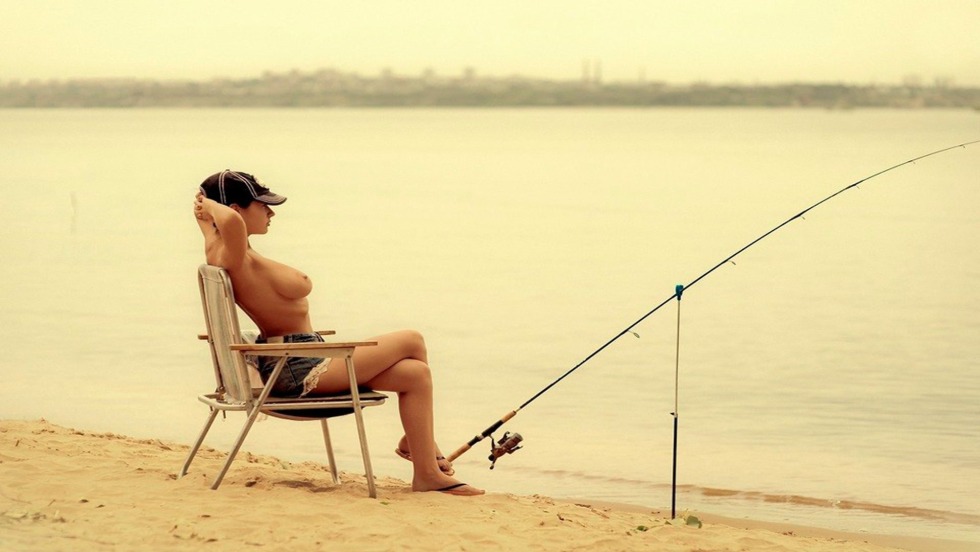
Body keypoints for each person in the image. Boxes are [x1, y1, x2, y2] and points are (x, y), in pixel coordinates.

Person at [193, 169, 483, 497]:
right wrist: (210, 206)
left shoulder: (226, 249)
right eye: (262, 205)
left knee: (416, 375)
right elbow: (231, 222)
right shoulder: (231, 254)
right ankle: (425, 451)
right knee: (412, 339)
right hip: (296, 366)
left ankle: (425, 472)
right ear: (234, 208)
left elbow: (226, 223)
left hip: (302, 357)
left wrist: (204, 212)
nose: (271, 212)